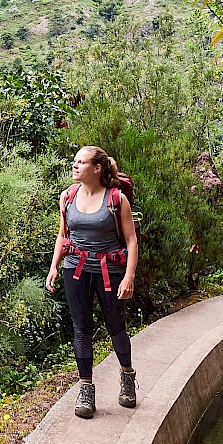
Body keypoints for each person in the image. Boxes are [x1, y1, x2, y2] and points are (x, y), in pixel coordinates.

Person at [45, 145, 138, 418]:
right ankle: (85, 388)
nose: (75, 166)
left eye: (81, 162)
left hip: (110, 271)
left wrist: (129, 276)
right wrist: (54, 267)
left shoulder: (117, 199)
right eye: (75, 161)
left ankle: (128, 376)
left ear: (96, 169)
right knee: (81, 328)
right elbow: (63, 236)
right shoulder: (67, 197)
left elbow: (131, 241)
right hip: (76, 269)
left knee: (115, 326)